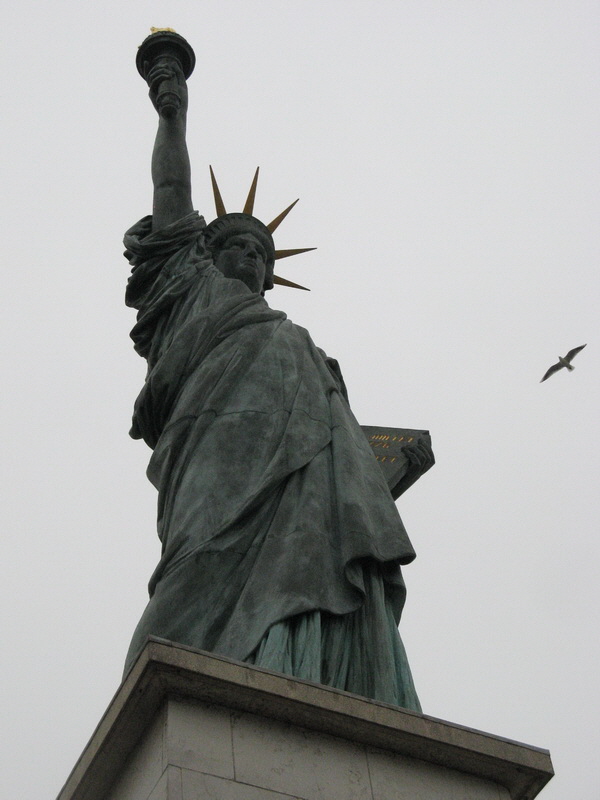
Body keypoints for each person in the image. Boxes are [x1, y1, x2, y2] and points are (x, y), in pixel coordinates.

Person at [123, 59, 422, 710]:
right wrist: (172, 113)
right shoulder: (190, 291)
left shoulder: (298, 343)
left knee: (307, 560)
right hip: (211, 458)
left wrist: (384, 465)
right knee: (193, 571)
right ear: (208, 255)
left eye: (262, 255)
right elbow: (171, 189)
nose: (253, 258)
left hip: (302, 490)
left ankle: (302, 673)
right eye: (239, 247)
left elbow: (333, 458)